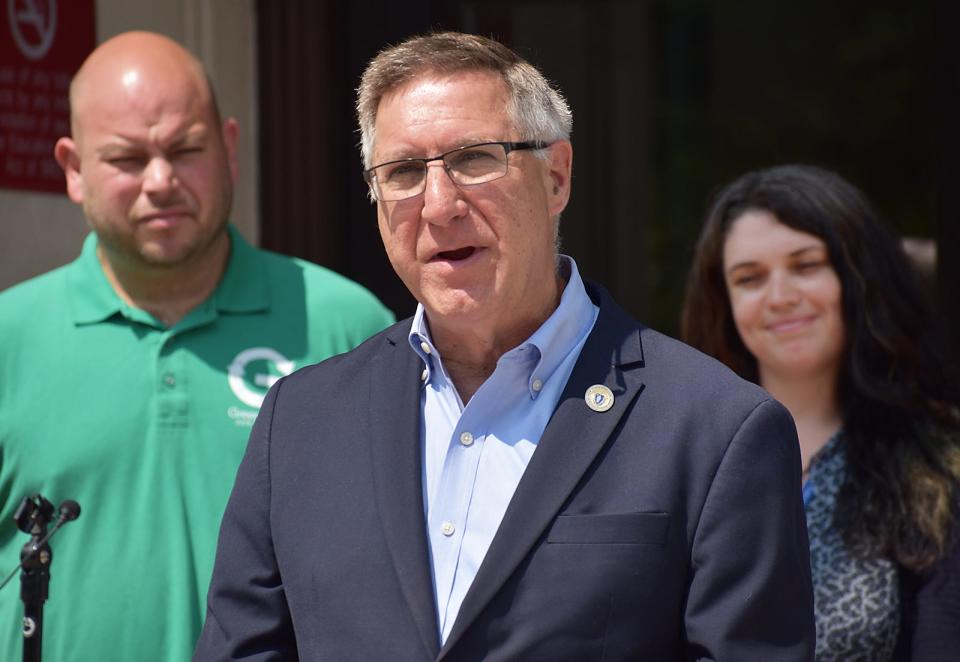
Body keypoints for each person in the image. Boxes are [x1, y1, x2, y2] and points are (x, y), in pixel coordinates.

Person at [194, 32, 815, 661]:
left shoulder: (715, 427)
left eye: (473, 159)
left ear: (557, 178)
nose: (439, 205)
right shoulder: (298, 422)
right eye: (404, 172)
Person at [0, 31, 394, 662]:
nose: (160, 181)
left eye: (186, 149)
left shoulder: (347, 326)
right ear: (73, 169)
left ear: (230, 149)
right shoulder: (8, 340)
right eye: (127, 159)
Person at [681, 164, 960, 660]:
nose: (781, 297)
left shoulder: (940, 463)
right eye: (750, 278)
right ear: (723, 302)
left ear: (861, 277)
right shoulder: (682, 454)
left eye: (806, 265)